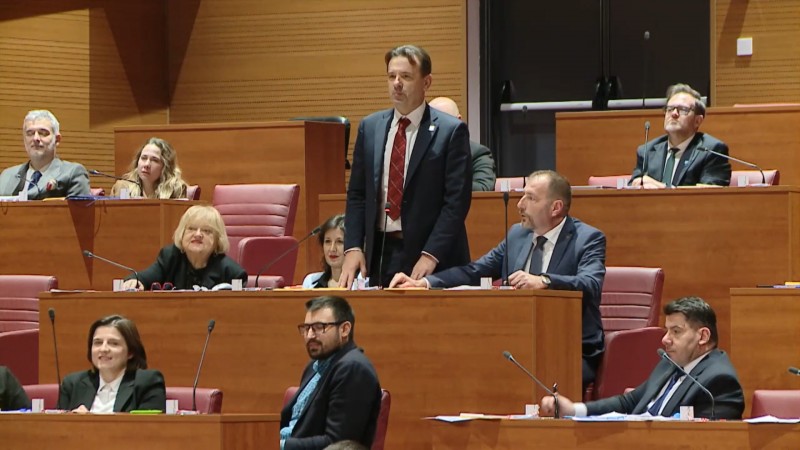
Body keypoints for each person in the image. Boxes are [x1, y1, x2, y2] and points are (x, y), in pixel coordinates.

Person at [391, 170, 606, 389]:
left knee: (523, 380)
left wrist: (544, 281)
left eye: (531, 198)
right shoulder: (517, 235)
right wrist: (426, 283)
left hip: (570, 350)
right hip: (516, 346)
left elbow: (591, 284)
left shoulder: (587, 239)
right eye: (522, 196)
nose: (520, 205)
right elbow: (475, 271)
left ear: (556, 208)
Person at [340, 44, 472, 289]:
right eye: (392, 76)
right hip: (382, 252)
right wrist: (353, 246)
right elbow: (357, 194)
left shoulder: (450, 131)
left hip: (432, 256)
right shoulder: (370, 127)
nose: (397, 83)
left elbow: (456, 202)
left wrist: (431, 254)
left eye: (406, 77)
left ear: (426, 82)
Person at [540, 296, 745, 420]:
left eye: (676, 331)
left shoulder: (719, 381)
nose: (665, 339)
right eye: (667, 330)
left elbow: (706, 441)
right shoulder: (670, 363)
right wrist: (574, 409)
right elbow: (628, 402)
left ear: (703, 336)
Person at [281, 296, 381, 449]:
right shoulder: (314, 366)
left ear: (344, 329)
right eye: (306, 328)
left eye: (319, 327)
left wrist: (281, 445)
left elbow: (338, 443)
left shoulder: (353, 369)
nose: (310, 335)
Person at [57, 314, 166, 413]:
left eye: (114, 343)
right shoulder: (73, 384)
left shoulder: (147, 382)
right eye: (98, 343)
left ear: (130, 352)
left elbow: (150, 427)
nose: (103, 349)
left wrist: (89, 422)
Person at [121, 205, 247, 290]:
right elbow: (143, 277)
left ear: (217, 239)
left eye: (206, 231)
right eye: (191, 228)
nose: (198, 234)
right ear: (182, 233)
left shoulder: (232, 273)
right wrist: (134, 281)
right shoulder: (170, 257)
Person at [630, 83, 731, 188]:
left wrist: (663, 188)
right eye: (670, 109)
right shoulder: (647, 151)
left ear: (697, 121)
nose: (674, 114)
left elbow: (711, 193)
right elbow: (631, 188)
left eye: (683, 110)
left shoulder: (712, 150)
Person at [0, 109, 90, 199]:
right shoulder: (7, 176)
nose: (35, 138)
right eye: (30, 133)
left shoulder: (72, 173)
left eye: (43, 133)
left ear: (57, 139)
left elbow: (79, 208)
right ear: (24, 139)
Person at [428, 96, 497, 191]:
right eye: (432, 123)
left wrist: (442, 182)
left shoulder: (478, 153)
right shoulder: (417, 152)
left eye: (444, 123)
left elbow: (483, 187)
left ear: (458, 120)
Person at [110, 137, 188, 199]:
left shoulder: (176, 189)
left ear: (165, 166)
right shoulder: (123, 187)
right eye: (144, 158)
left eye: (154, 160)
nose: (146, 164)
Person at [303, 214, 346, 288]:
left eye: (340, 242)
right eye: (328, 241)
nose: (332, 249)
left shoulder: (364, 283)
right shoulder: (311, 282)